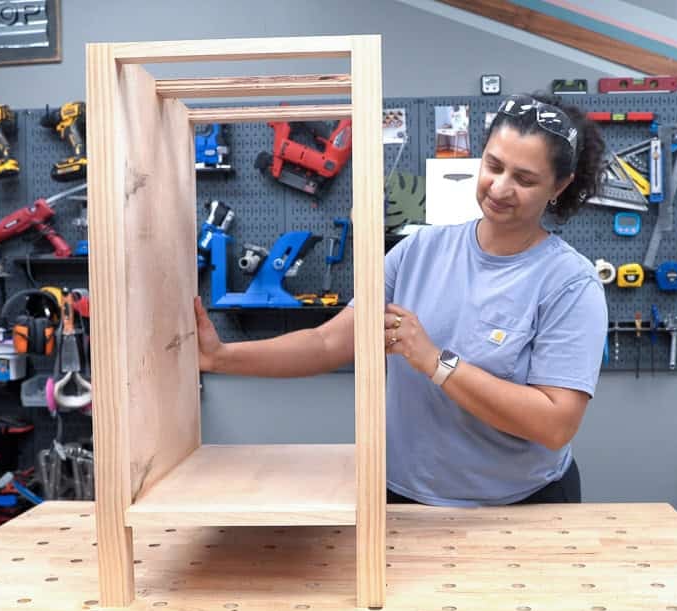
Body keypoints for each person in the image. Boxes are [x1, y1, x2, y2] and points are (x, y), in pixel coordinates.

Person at [194, 92, 608, 507]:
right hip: (403, 497)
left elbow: (555, 424)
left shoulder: (570, 283)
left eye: (525, 178)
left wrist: (435, 362)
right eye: (494, 166)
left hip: (520, 506)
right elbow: (327, 343)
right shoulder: (419, 251)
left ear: (560, 185)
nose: (500, 188)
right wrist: (221, 357)